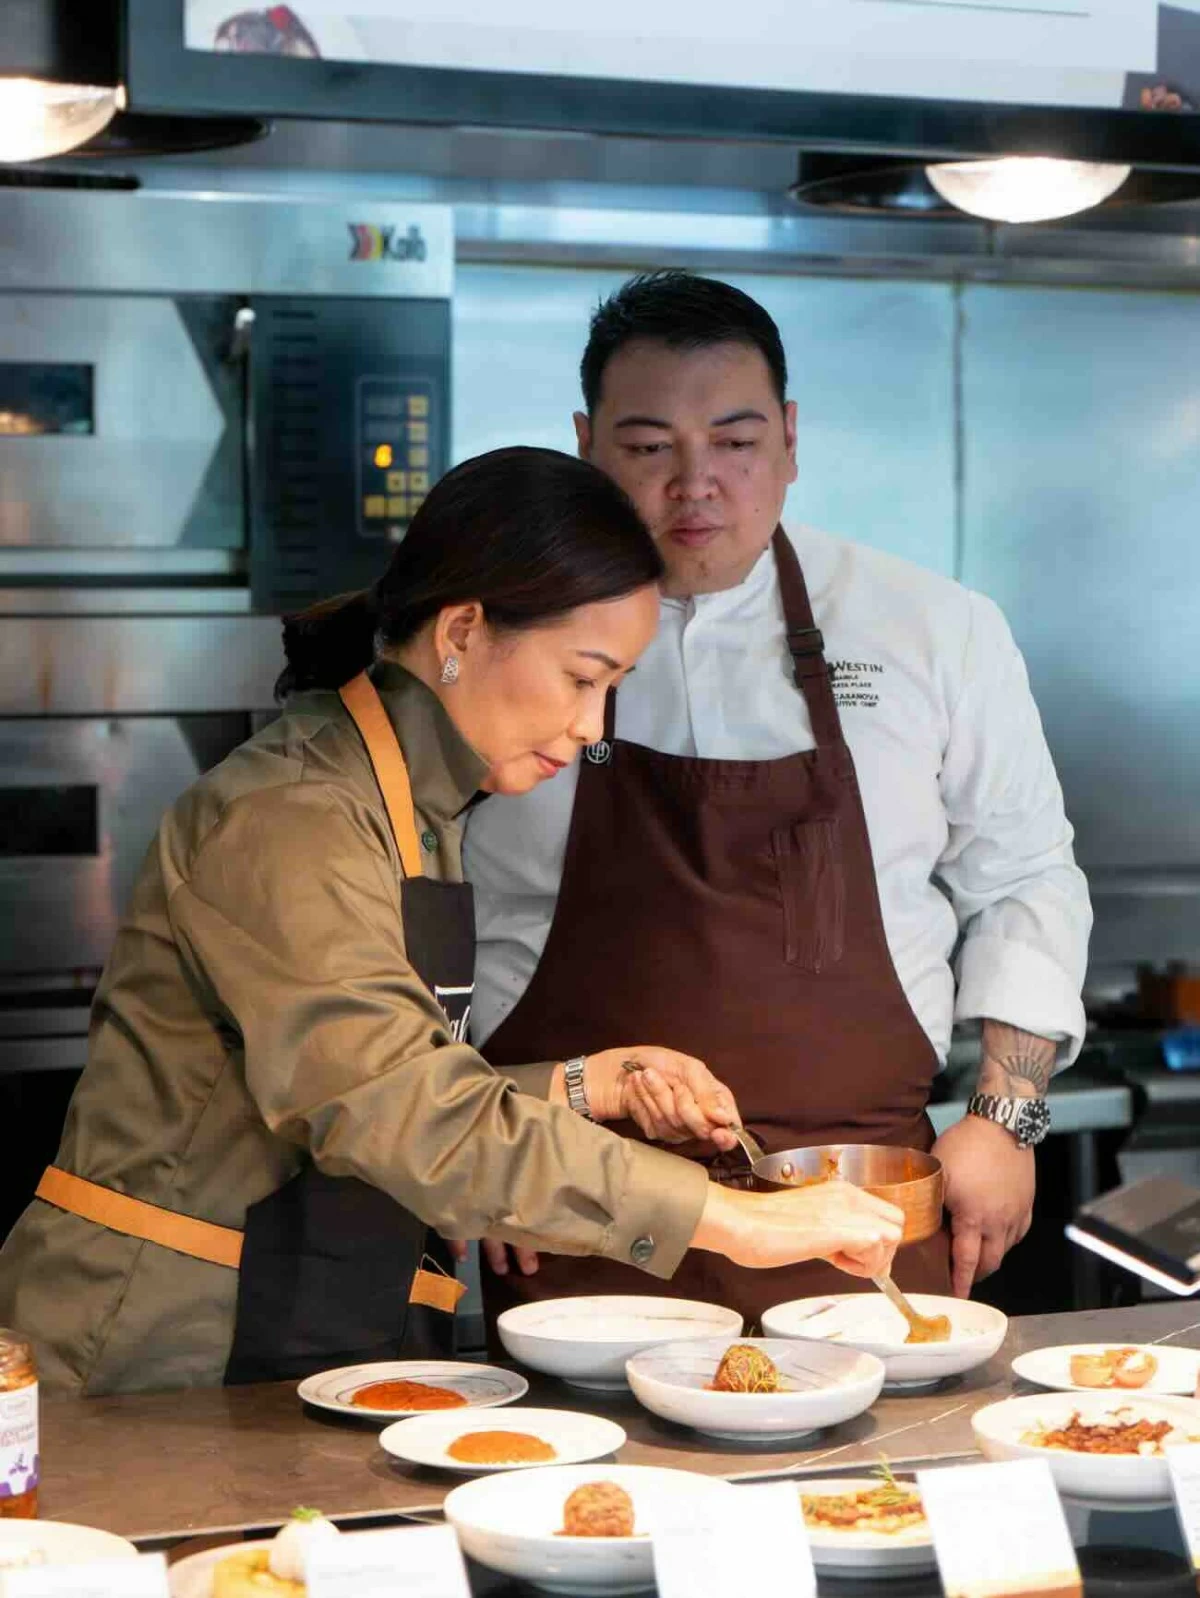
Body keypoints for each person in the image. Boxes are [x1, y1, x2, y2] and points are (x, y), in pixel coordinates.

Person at [0, 446, 904, 1396]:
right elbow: (395, 1107)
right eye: (582, 677)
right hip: (150, 1354)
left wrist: (589, 1084)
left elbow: (375, 1069)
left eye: (613, 688)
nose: (594, 727)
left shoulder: (416, 809)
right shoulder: (292, 816)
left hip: (302, 1322)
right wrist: (731, 1219)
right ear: (463, 630)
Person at [464, 276, 1093, 1327]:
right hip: (574, 1196)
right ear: (585, 446)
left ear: (792, 439)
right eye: (649, 446)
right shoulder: (496, 638)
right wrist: (469, 1141)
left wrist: (1006, 1114)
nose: (696, 485)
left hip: (859, 1202)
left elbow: (1025, 874)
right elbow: (405, 910)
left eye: (737, 441)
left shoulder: (933, 627)